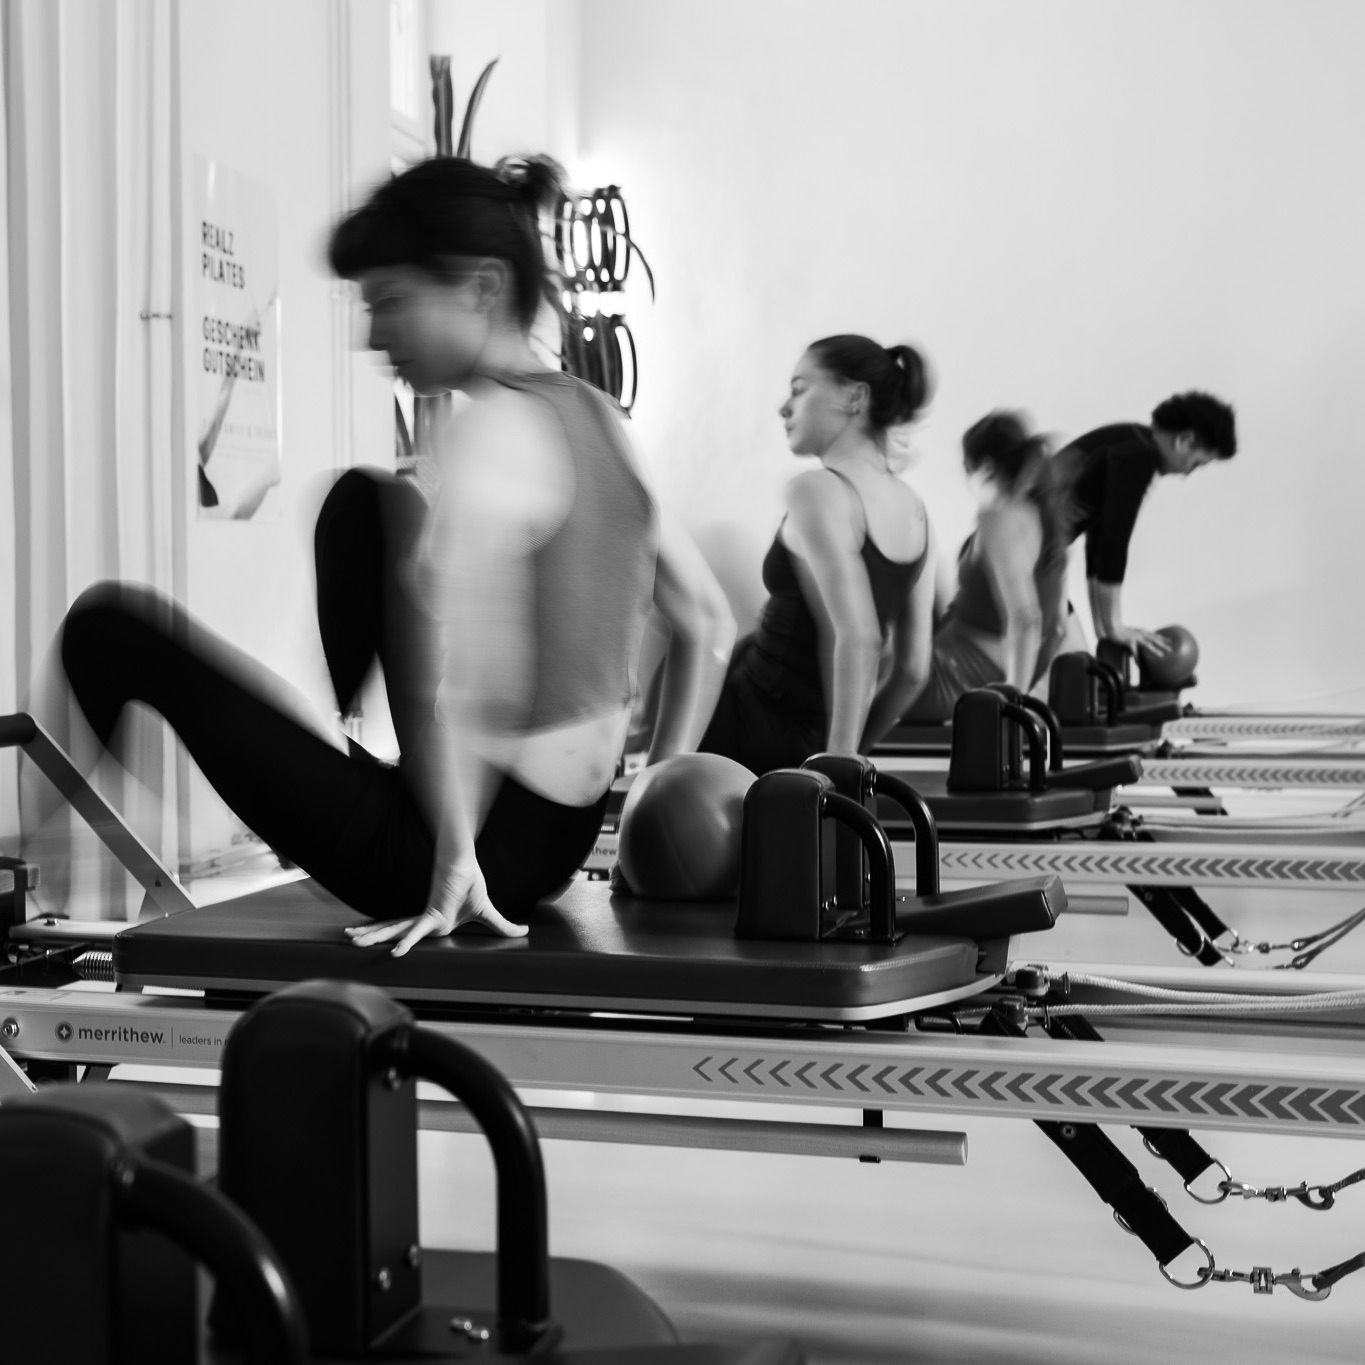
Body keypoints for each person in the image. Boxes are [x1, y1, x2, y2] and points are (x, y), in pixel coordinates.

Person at [48, 154, 732, 954]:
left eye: (391, 302)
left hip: (448, 855)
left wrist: (451, 864)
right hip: (553, 841)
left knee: (109, 628)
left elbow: (475, 689)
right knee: (365, 501)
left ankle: (53, 853)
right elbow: (706, 622)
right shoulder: (601, 419)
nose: (373, 335)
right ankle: (342, 735)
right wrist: (656, 785)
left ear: (481, 288)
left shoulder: (491, 433)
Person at [697, 335, 936, 774]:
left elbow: (859, 635)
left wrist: (836, 767)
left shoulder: (815, 488)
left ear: (854, 397)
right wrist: (845, 751)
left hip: (749, 725)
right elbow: (913, 672)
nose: (783, 407)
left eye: (800, 387)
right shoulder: (916, 511)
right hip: (811, 738)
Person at [902, 412, 1068, 723]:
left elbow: (1026, 618)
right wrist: (1021, 689)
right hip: (969, 677)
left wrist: (1012, 704)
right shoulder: (1048, 520)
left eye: (966, 466)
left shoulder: (998, 519)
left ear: (986, 466)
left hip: (948, 678)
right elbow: (1057, 628)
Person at [1051, 392, 1237, 656]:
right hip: (1020, 565)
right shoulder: (1138, 456)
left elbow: (1099, 542)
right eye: (1196, 464)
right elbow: (1114, 539)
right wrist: (1114, 625)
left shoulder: (1131, 439)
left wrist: (1105, 629)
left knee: (1081, 669)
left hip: (1028, 564)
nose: (1187, 474)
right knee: (1075, 671)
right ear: (1185, 441)